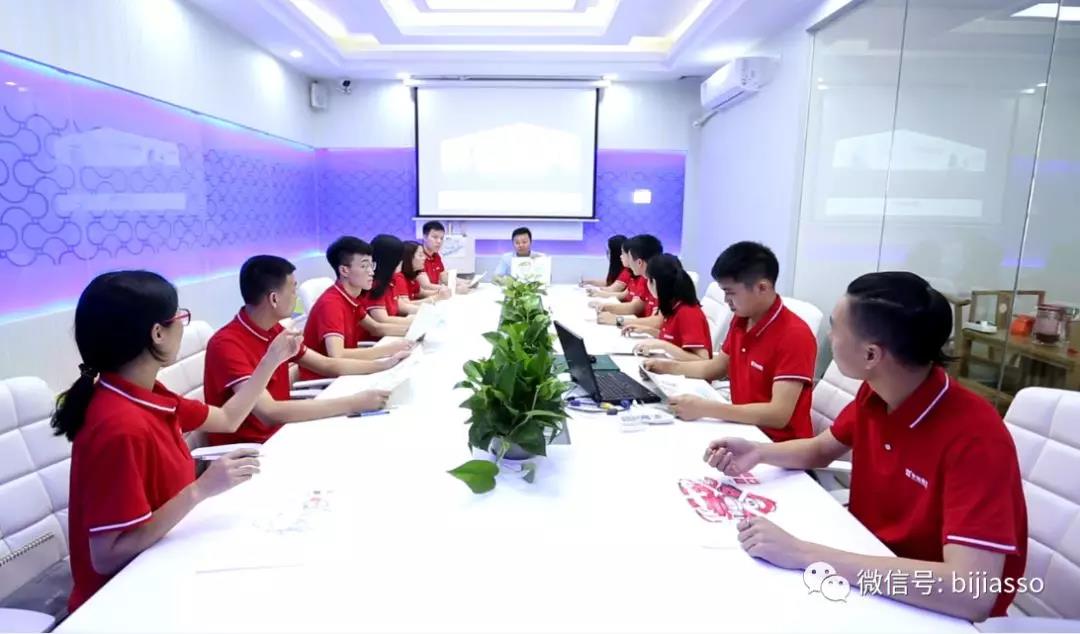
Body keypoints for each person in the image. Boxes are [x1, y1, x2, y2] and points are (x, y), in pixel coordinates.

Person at [703, 272, 1027, 622]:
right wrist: (759, 452)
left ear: (871, 354)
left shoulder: (975, 438)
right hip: (866, 561)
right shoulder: (877, 393)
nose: (830, 338)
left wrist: (804, 554)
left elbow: (971, 592)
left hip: (929, 609)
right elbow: (821, 449)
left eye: (835, 328)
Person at [56, 271, 302, 612]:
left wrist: (271, 359)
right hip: (126, 601)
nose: (183, 327)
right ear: (157, 333)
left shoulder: (145, 394)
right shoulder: (119, 425)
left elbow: (228, 418)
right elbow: (107, 555)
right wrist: (201, 489)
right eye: (178, 318)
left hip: (168, 560)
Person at [204, 255, 395, 446]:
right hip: (253, 449)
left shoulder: (274, 330)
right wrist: (352, 404)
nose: (296, 296)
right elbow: (269, 412)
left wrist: (385, 365)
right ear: (274, 299)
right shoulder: (226, 344)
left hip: (285, 431)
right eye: (293, 289)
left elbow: (326, 364)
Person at [643, 242, 816, 441]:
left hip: (776, 445)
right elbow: (715, 368)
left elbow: (778, 415)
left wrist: (705, 408)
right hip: (742, 427)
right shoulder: (742, 319)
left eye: (730, 292)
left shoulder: (795, 335)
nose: (726, 300)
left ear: (762, 287)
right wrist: (665, 367)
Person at [301, 237, 415, 379]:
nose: (371, 272)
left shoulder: (350, 297)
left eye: (371, 265)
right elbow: (338, 354)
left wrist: (416, 331)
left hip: (348, 372)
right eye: (364, 266)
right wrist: (387, 351)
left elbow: (376, 328)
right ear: (344, 270)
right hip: (329, 381)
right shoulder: (331, 304)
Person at [622, 254, 711, 361]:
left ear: (654, 282)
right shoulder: (672, 305)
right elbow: (673, 339)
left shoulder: (687, 312)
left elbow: (702, 360)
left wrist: (663, 346)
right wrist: (647, 330)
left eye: (648, 280)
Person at [592, 234, 663, 328]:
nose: (628, 262)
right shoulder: (645, 279)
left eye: (629, 257)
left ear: (639, 262)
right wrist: (605, 307)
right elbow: (636, 305)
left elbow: (657, 322)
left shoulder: (661, 282)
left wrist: (618, 320)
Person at [358, 234, 414, 338]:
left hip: (390, 336)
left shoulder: (390, 279)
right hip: (378, 340)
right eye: (399, 258)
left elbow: (401, 306)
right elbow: (382, 320)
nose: (402, 261)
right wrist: (413, 324)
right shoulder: (373, 284)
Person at [394, 240, 450, 314]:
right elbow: (406, 305)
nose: (424, 258)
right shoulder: (399, 278)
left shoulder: (412, 276)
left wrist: (440, 292)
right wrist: (436, 298)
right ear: (409, 259)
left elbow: (421, 292)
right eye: (420, 255)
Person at [416, 220, 470, 295]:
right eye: (435, 237)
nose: (439, 241)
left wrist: (467, 282)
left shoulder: (436, 255)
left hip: (436, 295)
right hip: (424, 297)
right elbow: (426, 286)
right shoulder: (418, 256)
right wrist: (454, 289)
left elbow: (444, 278)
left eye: (441, 238)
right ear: (425, 237)